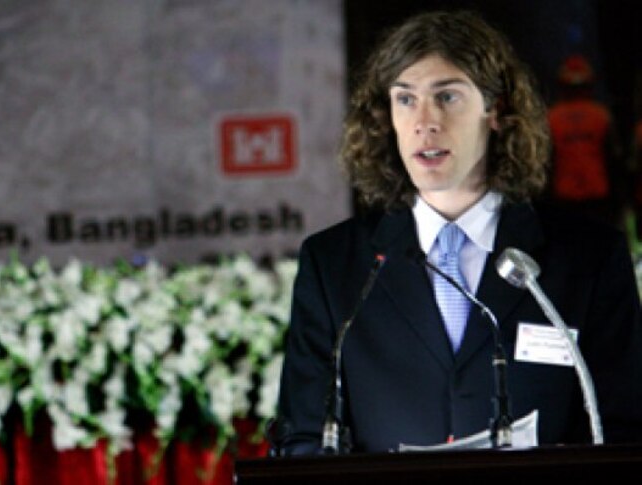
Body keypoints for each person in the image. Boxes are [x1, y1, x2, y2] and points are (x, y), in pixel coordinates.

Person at [273, 10, 642, 455]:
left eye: (447, 97)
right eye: (405, 99)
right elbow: (303, 439)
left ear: (496, 111)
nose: (424, 121)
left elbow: (625, 432)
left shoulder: (589, 258)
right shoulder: (333, 266)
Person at [547, 54, 626, 227]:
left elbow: (547, 162)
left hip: (564, 198)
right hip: (598, 197)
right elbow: (614, 159)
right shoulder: (601, 116)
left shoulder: (551, 118)